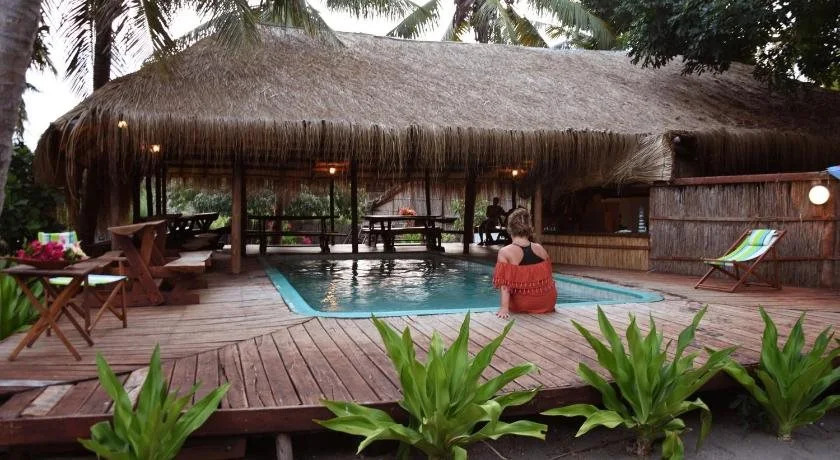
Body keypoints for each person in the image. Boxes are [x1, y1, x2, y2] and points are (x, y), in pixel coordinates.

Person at [492, 208, 557, 318]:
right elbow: (549, 278)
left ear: (510, 228)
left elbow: (505, 285)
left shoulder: (505, 252)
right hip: (548, 303)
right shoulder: (540, 248)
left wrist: (504, 308)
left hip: (524, 304)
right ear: (529, 228)